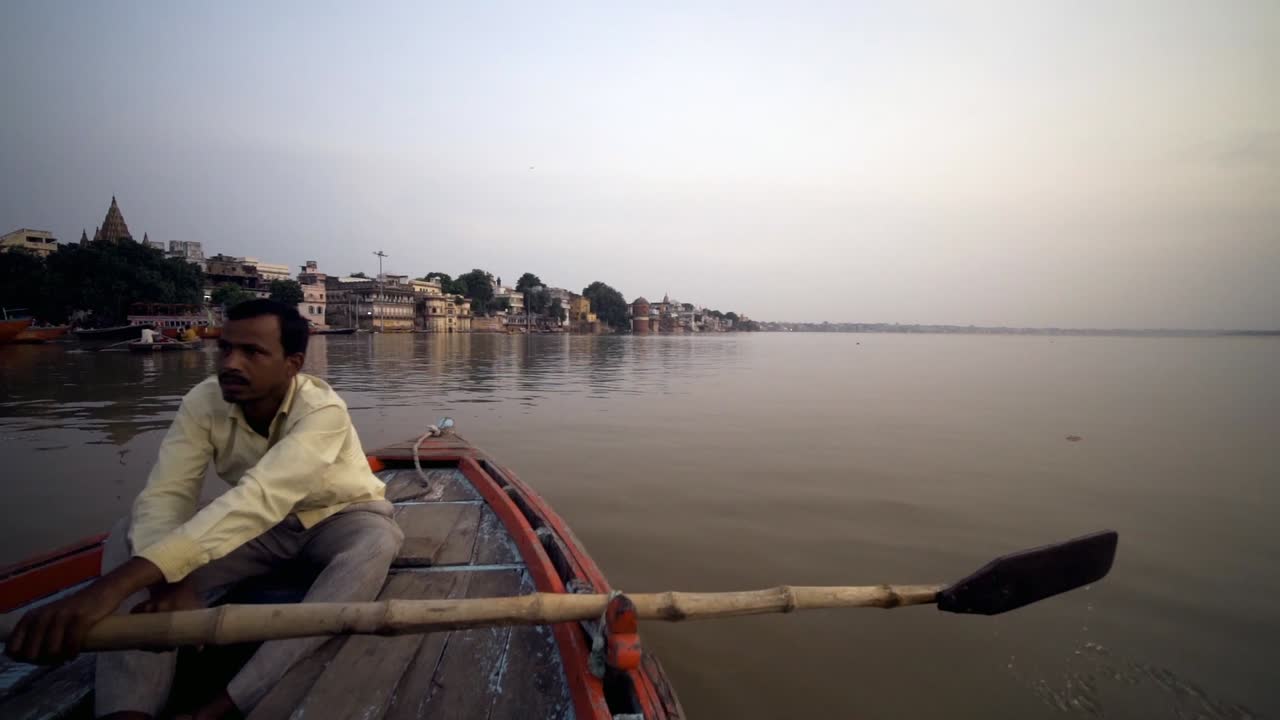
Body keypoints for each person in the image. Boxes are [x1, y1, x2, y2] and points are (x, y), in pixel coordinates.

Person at [5, 299, 404, 720]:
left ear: (292, 364)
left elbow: (259, 496)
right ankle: (128, 710)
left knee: (378, 542)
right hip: (260, 530)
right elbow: (167, 495)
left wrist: (107, 590)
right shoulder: (203, 402)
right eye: (225, 348)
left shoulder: (323, 409)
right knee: (129, 532)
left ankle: (227, 703)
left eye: (252, 352)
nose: (231, 363)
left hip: (338, 517)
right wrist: (169, 582)